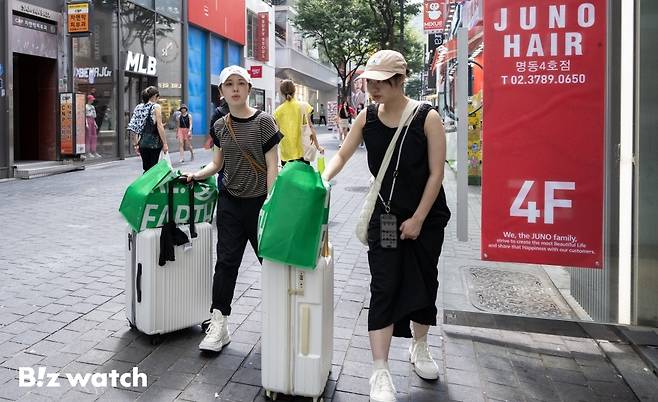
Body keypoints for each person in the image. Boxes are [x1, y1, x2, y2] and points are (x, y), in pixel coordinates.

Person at [321, 50, 451, 402]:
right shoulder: (367, 118)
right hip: (386, 218)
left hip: (426, 218)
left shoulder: (427, 117)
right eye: (370, 82)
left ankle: (420, 348)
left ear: (400, 80)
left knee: (425, 281)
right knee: (384, 286)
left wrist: (420, 218)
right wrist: (324, 178)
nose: (373, 88)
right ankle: (379, 371)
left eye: (381, 82)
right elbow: (344, 154)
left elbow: (437, 174)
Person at [187, 65, 281, 353]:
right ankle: (219, 324)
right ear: (222, 92)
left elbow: (272, 165)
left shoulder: (265, 122)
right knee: (226, 263)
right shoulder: (219, 126)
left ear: (249, 90)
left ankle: (283, 320)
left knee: (273, 263)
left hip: (260, 204)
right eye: (230, 84)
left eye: (241, 84)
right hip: (229, 202)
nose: (236, 89)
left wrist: (270, 201)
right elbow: (217, 163)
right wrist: (197, 175)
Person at [273, 79, 308, 166]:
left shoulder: (277, 111)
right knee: (304, 178)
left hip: (286, 153)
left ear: (281, 93)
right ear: (294, 91)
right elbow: (309, 127)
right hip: (303, 150)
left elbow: (277, 133)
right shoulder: (304, 106)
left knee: (288, 179)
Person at [136, 86, 168, 172]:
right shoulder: (156, 106)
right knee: (153, 169)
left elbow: (136, 126)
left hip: (142, 142)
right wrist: (165, 143)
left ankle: (144, 185)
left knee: (146, 168)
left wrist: (136, 143)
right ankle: (152, 185)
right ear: (155, 96)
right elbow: (159, 126)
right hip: (154, 143)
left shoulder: (139, 107)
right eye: (158, 97)